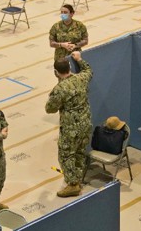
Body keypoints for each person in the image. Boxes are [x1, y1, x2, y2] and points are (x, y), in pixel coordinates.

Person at [46, 51, 93, 198]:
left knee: (66, 155)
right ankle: (77, 178)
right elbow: (88, 71)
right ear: (69, 68)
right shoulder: (81, 79)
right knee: (80, 151)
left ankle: (72, 184)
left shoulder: (60, 89)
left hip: (70, 128)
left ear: (56, 72)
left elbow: (50, 109)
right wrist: (79, 59)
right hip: (85, 123)